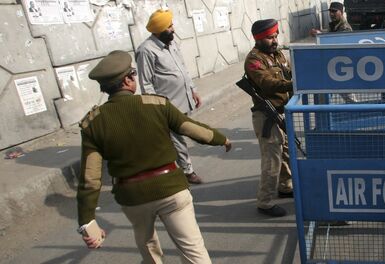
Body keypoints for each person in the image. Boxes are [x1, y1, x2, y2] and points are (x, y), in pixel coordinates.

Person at [77, 50, 231, 263]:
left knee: (148, 247)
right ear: (128, 80)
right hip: (171, 190)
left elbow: (89, 179)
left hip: (132, 197)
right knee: (192, 249)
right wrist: (221, 139)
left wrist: (87, 221)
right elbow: (191, 128)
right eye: (133, 74)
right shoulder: (156, 104)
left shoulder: (93, 123)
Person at [136, 9, 204, 184]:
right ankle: (188, 171)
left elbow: (182, 69)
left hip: (184, 99)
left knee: (175, 138)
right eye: (169, 26)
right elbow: (146, 83)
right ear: (158, 29)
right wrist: (157, 107)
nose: (173, 29)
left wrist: (193, 90)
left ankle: (167, 165)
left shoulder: (172, 43)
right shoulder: (146, 50)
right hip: (168, 105)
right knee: (178, 138)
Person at [244, 19, 294, 217]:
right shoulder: (254, 59)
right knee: (272, 160)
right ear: (258, 38)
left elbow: (287, 72)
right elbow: (267, 83)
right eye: (269, 37)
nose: (274, 40)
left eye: (275, 36)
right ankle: (264, 202)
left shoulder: (278, 54)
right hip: (266, 115)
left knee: (287, 153)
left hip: (281, 111)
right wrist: (292, 84)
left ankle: (285, 186)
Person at [309, 2, 357, 104]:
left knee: (350, 99)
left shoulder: (345, 28)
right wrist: (319, 34)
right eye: (330, 11)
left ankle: (358, 115)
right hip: (332, 66)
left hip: (342, 68)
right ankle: (325, 117)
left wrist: (321, 36)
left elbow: (338, 42)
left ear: (342, 12)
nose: (331, 14)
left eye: (334, 11)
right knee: (323, 96)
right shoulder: (334, 25)